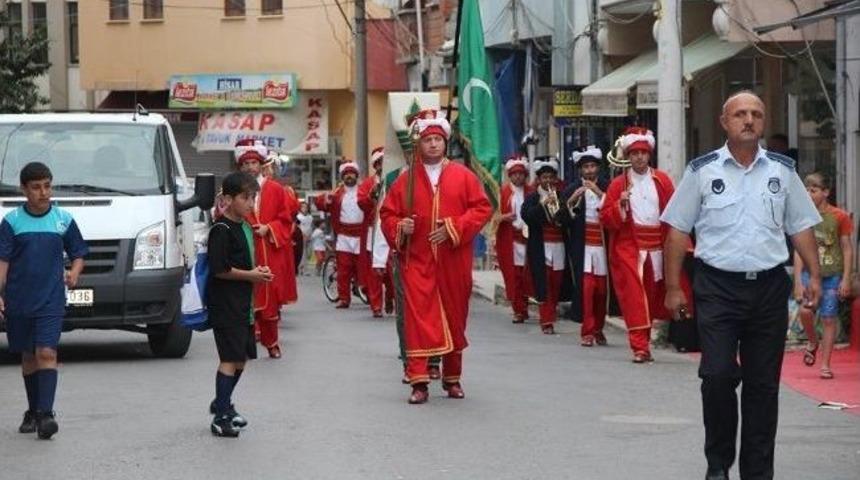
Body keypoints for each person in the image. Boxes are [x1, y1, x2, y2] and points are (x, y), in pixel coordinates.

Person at [662, 91, 822, 480]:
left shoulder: (782, 171)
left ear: (763, 122)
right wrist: (673, 287)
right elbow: (678, 231)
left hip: (768, 287)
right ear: (724, 122)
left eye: (756, 114)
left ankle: (757, 472)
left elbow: (800, 226)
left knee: (762, 387)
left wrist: (813, 276)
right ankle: (718, 464)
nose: (748, 120)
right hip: (716, 287)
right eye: (740, 114)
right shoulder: (702, 171)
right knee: (716, 376)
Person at [379, 109, 492, 404]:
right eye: (427, 139)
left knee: (455, 317)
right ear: (419, 143)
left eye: (437, 139)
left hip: (453, 261)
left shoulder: (463, 176)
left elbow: (482, 209)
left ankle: (452, 378)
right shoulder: (406, 180)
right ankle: (418, 381)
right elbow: (387, 214)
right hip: (416, 260)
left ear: (444, 142)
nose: (432, 144)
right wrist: (400, 226)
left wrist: (454, 227)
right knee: (418, 319)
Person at [0, 162, 87, 440]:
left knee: (47, 353)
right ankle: (33, 410)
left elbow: (78, 252)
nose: (43, 192)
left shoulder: (63, 219)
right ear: (24, 189)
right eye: (36, 187)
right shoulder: (11, 222)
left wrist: (74, 272)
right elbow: (2, 262)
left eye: (47, 185)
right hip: (19, 300)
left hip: (51, 300)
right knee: (28, 356)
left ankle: (47, 414)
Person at [599, 126, 678, 363]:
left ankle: (646, 339)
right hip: (629, 247)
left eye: (643, 152)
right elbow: (605, 218)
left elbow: (674, 212)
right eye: (634, 153)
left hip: (658, 246)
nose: (639, 157)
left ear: (649, 154)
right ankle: (639, 347)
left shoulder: (662, 180)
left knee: (652, 298)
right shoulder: (617, 185)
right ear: (628, 156)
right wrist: (619, 206)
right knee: (634, 296)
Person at [206, 172, 274, 437]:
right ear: (227, 199)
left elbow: (245, 262)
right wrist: (252, 275)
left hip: (244, 303)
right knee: (229, 358)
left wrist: (259, 270)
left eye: (253, 197)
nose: (250, 203)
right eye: (245, 197)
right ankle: (220, 416)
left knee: (242, 358)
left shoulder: (246, 227)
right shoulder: (221, 230)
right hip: (226, 304)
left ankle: (223, 402)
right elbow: (220, 269)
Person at [234, 139, 292, 359]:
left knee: (269, 298)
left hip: (268, 249)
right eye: (246, 163)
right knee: (244, 299)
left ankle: (272, 342)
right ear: (241, 167)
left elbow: (285, 219)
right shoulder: (233, 189)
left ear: (261, 164)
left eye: (253, 162)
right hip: (243, 249)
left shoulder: (276, 189)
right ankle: (245, 344)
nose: (250, 167)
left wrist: (269, 228)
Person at [793, 172, 853, 379]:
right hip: (811, 273)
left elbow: (846, 248)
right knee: (805, 311)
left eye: (814, 190)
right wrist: (798, 280)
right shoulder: (802, 217)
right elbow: (799, 251)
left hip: (832, 275)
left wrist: (846, 277)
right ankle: (812, 341)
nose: (809, 194)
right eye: (806, 190)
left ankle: (826, 364)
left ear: (825, 192)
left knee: (829, 318)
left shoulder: (840, 217)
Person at [560, 146, 611, 347]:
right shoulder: (572, 189)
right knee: (587, 290)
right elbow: (559, 219)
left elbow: (615, 209)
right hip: (583, 247)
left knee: (602, 292)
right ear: (580, 170)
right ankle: (587, 331)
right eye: (585, 167)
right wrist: (572, 201)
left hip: (603, 247)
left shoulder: (607, 187)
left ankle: (598, 328)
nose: (589, 171)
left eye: (592, 166)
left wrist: (599, 193)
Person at [522, 157, 571, 335]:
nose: (548, 181)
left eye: (551, 177)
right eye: (544, 178)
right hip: (541, 247)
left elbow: (566, 220)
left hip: (559, 246)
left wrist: (560, 208)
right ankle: (546, 321)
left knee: (557, 282)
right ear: (539, 179)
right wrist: (542, 205)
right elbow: (527, 217)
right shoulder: (532, 198)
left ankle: (551, 315)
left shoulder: (561, 196)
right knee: (544, 283)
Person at [314, 161, 370, 309]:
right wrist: (326, 198)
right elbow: (320, 203)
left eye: (352, 174)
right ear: (343, 177)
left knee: (363, 266)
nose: (349, 176)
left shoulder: (363, 191)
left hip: (361, 235)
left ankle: (367, 291)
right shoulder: (337, 193)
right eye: (346, 174)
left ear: (356, 176)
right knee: (343, 268)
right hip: (344, 236)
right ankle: (344, 298)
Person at [495, 155, 532, 323]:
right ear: (509, 175)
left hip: (529, 239)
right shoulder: (502, 193)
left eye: (521, 173)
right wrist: (504, 217)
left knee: (527, 275)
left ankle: (524, 306)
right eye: (515, 174)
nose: (518, 177)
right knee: (513, 275)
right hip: (510, 239)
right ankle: (518, 309)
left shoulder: (531, 192)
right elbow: (491, 217)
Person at [358, 146, 393, 318]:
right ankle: (376, 305)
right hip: (374, 231)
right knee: (375, 272)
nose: (383, 165)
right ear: (376, 165)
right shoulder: (367, 184)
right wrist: (371, 197)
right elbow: (361, 204)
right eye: (380, 163)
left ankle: (392, 298)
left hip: (392, 229)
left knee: (392, 269)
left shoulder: (397, 179)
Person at [296, 201, 314, 275]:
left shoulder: (310, 217)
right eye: (303, 207)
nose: (304, 208)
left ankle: (304, 268)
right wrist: (302, 235)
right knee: (303, 253)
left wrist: (310, 235)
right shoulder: (298, 217)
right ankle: (302, 269)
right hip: (301, 236)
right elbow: (298, 227)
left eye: (306, 207)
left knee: (309, 253)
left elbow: (311, 227)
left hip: (309, 236)